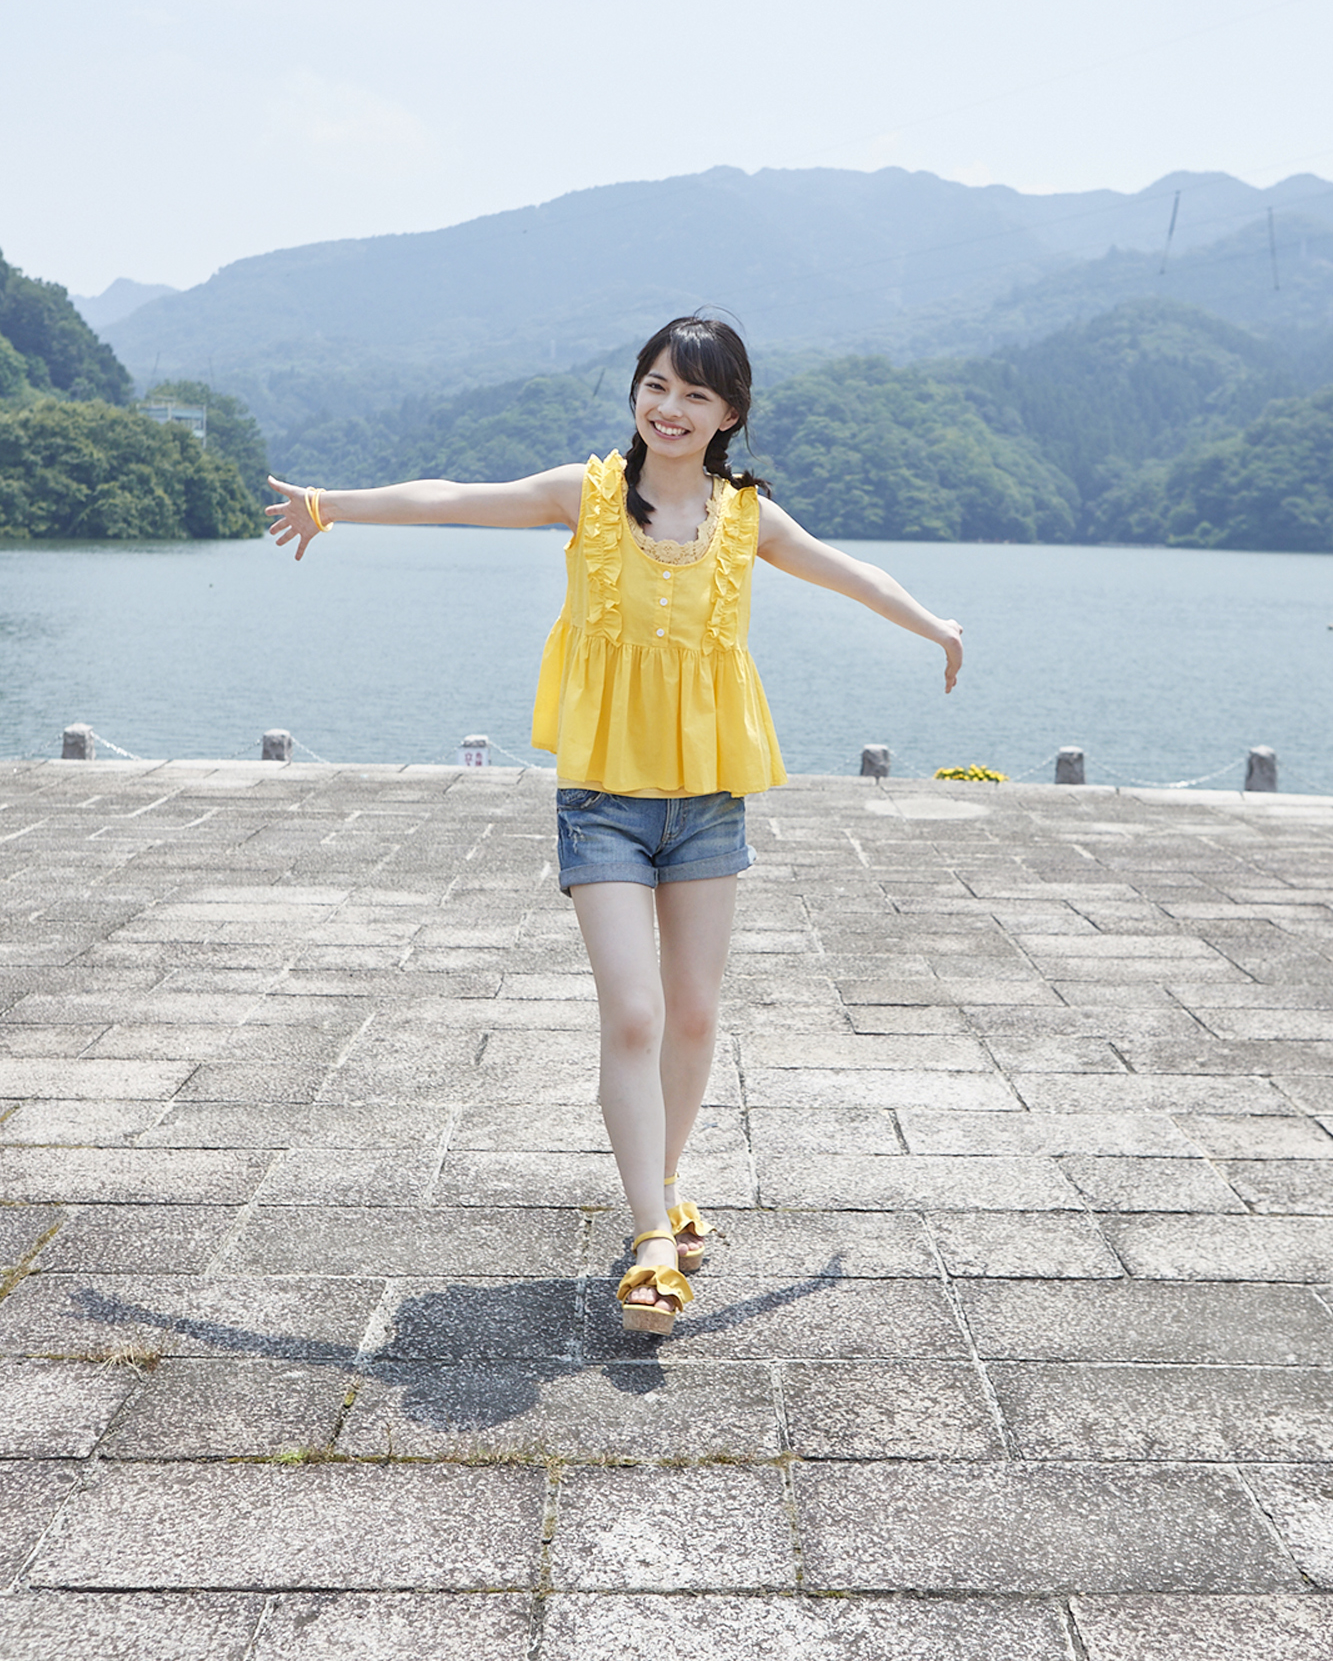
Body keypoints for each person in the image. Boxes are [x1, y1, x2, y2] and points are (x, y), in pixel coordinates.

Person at [266, 315, 963, 1336]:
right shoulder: (584, 495)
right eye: (655, 385)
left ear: (728, 414)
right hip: (602, 803)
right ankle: (650, 1240)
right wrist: (331, 506)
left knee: (692, 1016)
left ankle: (666, 1184)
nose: (668, 408)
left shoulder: (746, 518)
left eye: (694, 395)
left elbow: (849, 572)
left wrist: (936, 626)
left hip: (707, 800)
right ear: (636, 391)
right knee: (634, 1013)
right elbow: (454, 498)